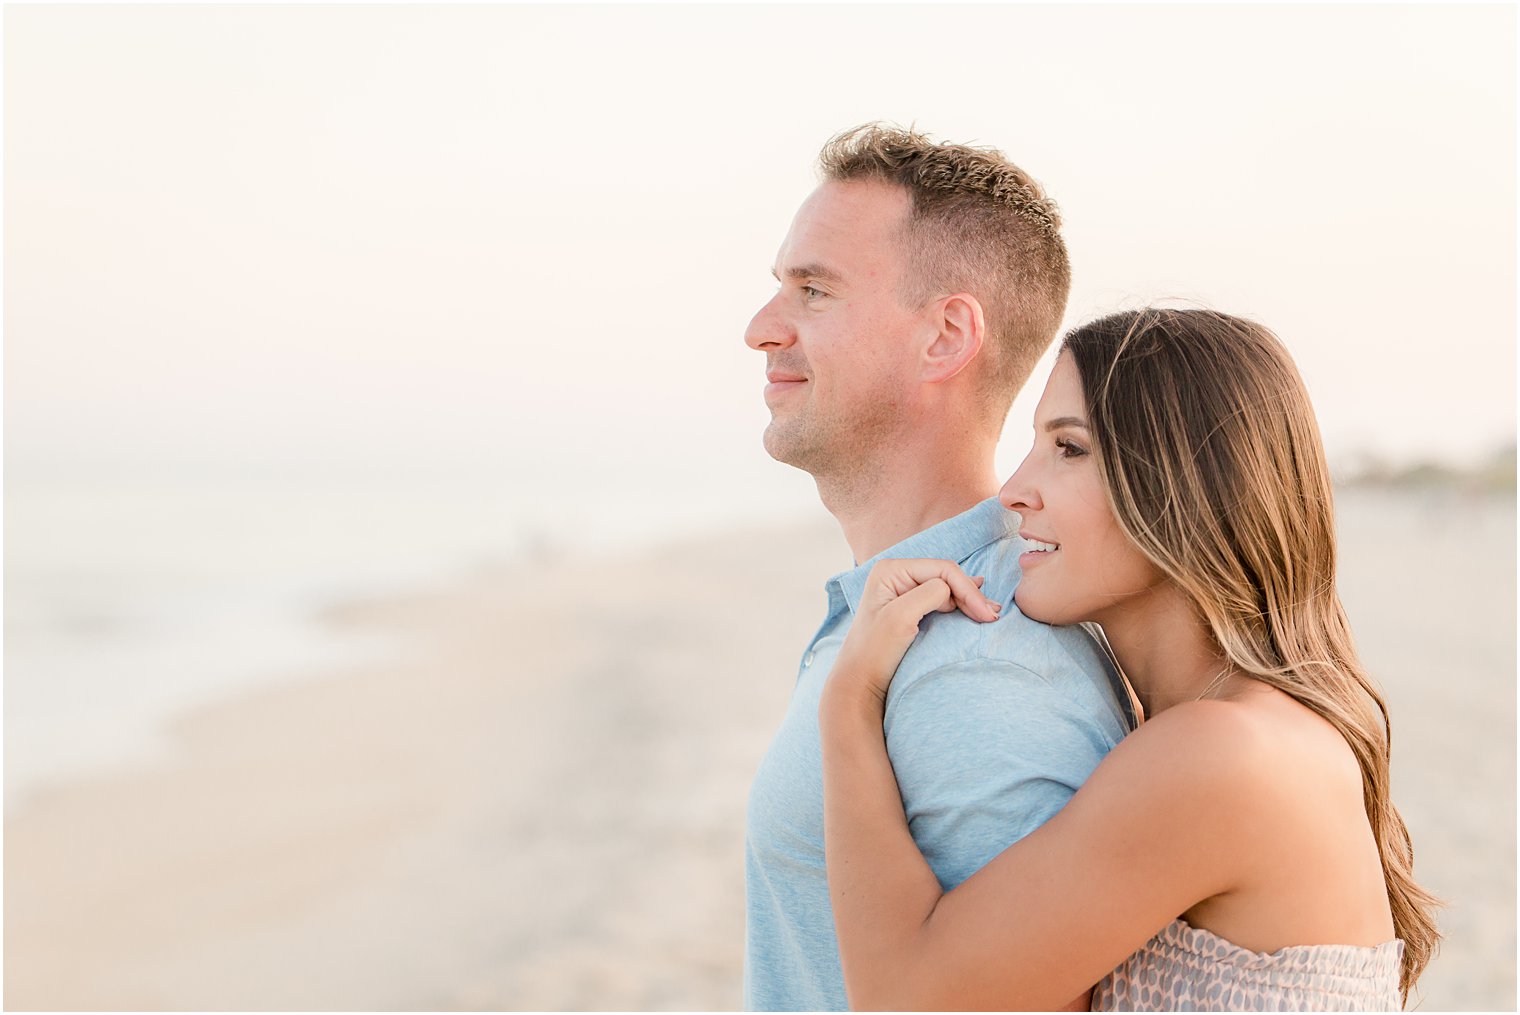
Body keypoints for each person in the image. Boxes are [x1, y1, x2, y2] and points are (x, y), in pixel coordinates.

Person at [820, 308, 1442, 1011]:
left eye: (1070, 448)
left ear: (1184, 486)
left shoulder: (1222, 753)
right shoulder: (1231, 729)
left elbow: (906, 997)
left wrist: (849, 700)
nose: (1014, 489)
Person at [742, 123, 1132, 1012]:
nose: (763, 329)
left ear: (945, 335)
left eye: (813, 290)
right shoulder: (896, 610)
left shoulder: (986, 657)